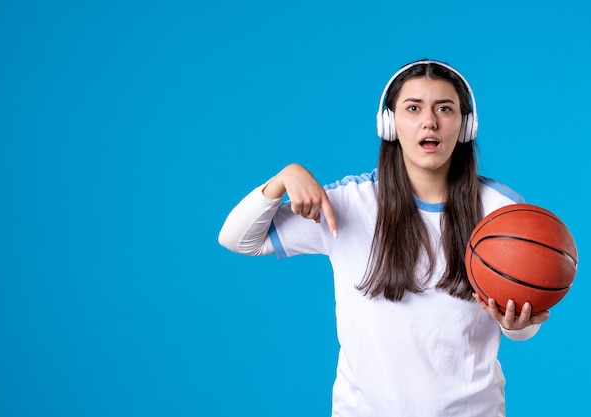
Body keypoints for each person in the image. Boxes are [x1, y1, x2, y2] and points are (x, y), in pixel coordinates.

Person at [218, 59, 549, 416]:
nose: (430, 121)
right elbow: (238, 239)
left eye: (445, 108)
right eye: (413, 108)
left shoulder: (502, 209)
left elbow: (521, 326)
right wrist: (282, 179)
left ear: (466, 125)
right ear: (389, 123)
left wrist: (516, 324)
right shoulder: (348, 202)